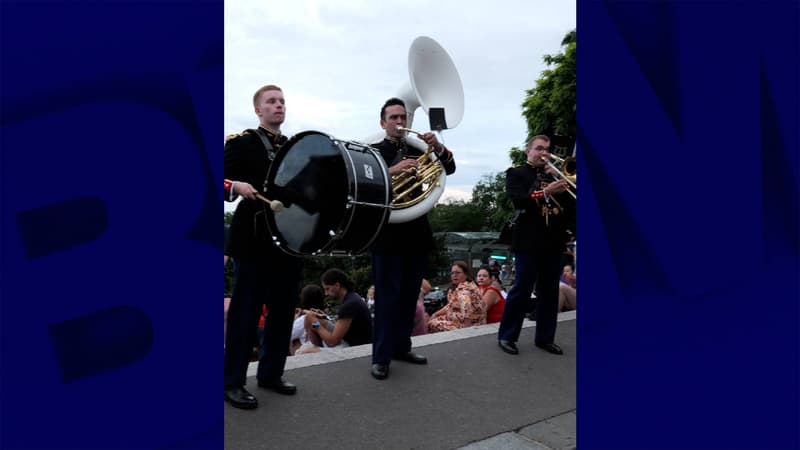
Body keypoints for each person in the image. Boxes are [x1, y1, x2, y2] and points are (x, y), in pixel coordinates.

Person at [223, 84, 303, 410]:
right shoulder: (242, 143)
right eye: (271, 101)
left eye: (282, 101)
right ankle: (232, 382)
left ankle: (271, 374)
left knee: (282, 312)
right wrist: (235, 186)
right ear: (258, 110)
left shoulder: (295, 148)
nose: (278, 106)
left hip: (287, 240)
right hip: (253, 238)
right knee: (245, 314)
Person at [368, 97, 457, 380]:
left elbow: (449, 168)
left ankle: (402, 347)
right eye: (393, 118)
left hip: (416, 232)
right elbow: (364, 185)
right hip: (387, 234)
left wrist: (438, 146)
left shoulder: (419, 148)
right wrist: (392, 171)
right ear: (383, 123)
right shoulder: (373, 151)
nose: (399, 122)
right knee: (386, 298)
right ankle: (380, 356)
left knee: (409, 297)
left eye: (402, 118)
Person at [498, 135, 575, 356]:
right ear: (528, 151)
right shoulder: (517, 173)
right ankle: (507, 336)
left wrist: (562, 181)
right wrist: (546, 190)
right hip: (528, 242)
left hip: (554, 242)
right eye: (539, 149)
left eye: (547, 150)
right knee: (522, 289)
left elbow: (570, 206)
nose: (544, 154)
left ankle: (545, 338)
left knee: (550, 292)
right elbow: (519, 200)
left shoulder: (558, 175)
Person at [304, 269, 373, 349]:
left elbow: (332, 342)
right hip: (351, 341)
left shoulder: (349, 304)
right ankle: (318, 350)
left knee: (306, 351)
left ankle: (318, 353)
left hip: (355, 348)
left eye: (327, 289)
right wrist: (325, 317)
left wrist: (316, 324)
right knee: (309, 319)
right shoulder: (351, 297)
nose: (326, 293)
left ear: (337, 285)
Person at [427, 261, 486, 333]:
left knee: (431, 323)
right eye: (452, 273)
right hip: (462, 322)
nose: (454, 275)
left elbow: (467, 308)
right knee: (434, 318)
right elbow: (450, 305)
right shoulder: (468, 285)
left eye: (457, 273)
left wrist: (467, 333)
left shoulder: (464, 289)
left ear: (466, 274)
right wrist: (435, 314)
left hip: (469, 327)